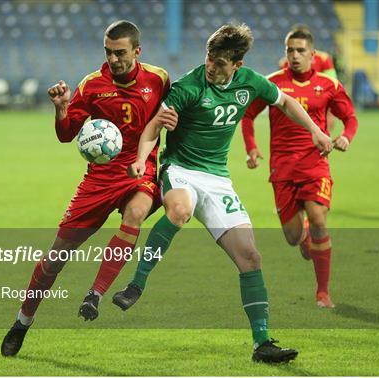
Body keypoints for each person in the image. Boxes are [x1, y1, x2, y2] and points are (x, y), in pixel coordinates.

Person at [112, 24, 333, 364]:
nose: (211, 67)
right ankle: (136, 284)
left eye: (219, 63)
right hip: (181, 170)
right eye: (209, 59)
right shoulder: (189, 85)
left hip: (217, 180)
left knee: (251, 258)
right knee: (180, 210)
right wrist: (142, 159)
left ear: (237, 65)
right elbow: (155, 125)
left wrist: (317, 131)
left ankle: (262, 343)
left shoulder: (250, 83)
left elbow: (286, 102)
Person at [1, 20, 175, 357]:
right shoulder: (92, 85)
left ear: (137, 51)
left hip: (138, 169)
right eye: (108, 52)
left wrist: (174, 125)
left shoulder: (159, 79)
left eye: (120, 53)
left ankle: (95, 293)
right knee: (54, 259)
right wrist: (61, 108)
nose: (113, 59)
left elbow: (178, 107)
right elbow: (67, 134)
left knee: (136, 214)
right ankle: (22, 322)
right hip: (98, 179)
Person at [241, 28, 359, 309]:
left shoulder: (328, 85)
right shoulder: (272, 84)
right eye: (290, 50)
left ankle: (323, 293)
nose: (294, 56)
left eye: (300, 51)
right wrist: (251, 147)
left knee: (319, 218)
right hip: (282, 169)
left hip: (315, 163)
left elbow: (350, 117)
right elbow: (247, 114)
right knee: (294, 238)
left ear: (312, 55)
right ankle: (304, 233)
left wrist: (345, 137)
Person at [278, 25, 338, 131]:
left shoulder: (324, 58)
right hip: (294, 99)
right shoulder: (285, 62)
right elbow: (283, 83)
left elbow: (332, 82)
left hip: (318, 99)